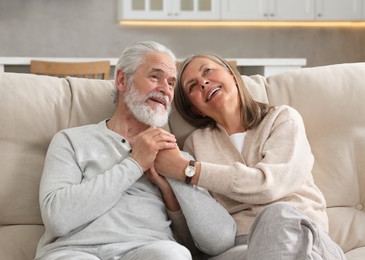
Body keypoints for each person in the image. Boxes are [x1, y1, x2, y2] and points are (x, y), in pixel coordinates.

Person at [34, 42, 236, 260]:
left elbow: (220, 240)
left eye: (170, 83)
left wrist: (177, 174)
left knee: (172, 254)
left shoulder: (176, 157)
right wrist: (135, 163)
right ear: (122, 80)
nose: (165, 89)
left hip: (147, 251)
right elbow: (58, 219)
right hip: (74, 251)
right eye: (155, 77)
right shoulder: (72, 140)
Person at [154, 53, 346, 259]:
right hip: (240, 248)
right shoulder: (195, 144)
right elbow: (196, 225)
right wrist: (169, 187)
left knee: (277, 214)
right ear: (196, 109)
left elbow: (269, 186)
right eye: (192, 85)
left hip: (302, 236)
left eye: (207, 71)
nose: (203, 82)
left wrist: (190, 170)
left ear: (232, 75)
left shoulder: (282, 119)